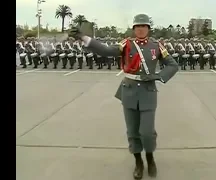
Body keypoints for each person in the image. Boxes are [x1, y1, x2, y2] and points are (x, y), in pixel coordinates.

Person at [69, 13, 179, 179]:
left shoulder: (157, 46)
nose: (141, 29)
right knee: (133, 131)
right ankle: (138, 162)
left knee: (147, 132)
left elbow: (172, 65)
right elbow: (106, 51)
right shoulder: (126, 44)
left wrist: (157, 76)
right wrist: (84, 38)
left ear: (148, 28)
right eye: (138, 26)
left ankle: (150, 158)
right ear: (134, 29)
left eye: (144, 26)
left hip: (148, 93)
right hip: (129, 91)